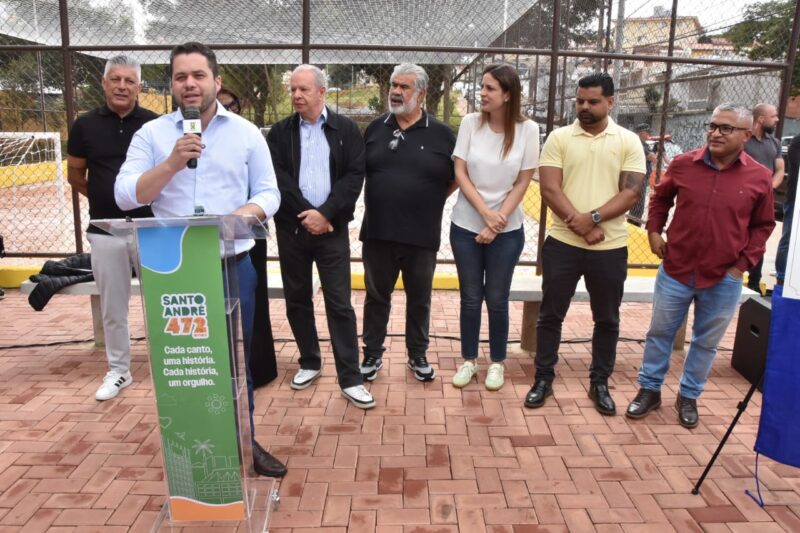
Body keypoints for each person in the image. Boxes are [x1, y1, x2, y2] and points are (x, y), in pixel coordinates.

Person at [114, 42, 286, 477]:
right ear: (171, 84)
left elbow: (269, 192)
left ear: (216, 81)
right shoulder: (152, 136)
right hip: (171, 270)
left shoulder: (246, 133)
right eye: (180, 77)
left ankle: (244, 443)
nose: (189, 84)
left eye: (198, 75)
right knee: (184, 363)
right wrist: (172, 163)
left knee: (235, 362)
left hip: (231, 264)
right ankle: (190, 448)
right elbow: (126, 193)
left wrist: (241, 215)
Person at [627, 104, 775, 428]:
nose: (715, 132)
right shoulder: (683, 165)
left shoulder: (759, 177)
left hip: (724, 277)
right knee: (660, 333)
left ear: (747, 135)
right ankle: (649, 390)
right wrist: (653, 231)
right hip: (676, 269)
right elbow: (660, 199)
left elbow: (763, 225)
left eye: (726, 128)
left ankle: (689, 395)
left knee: (706, 341)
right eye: (713, 125)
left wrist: (741, 265)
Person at [525, 72, 646, 415]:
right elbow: (550, 188)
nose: (585, 107)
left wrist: (590, 219)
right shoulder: (560, 138)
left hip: (609, 247)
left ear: (611, 102)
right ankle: (543, 377)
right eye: (580, 101)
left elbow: (631, 191)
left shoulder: (627, 141)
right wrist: (579, 227)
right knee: (550, 315)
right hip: (563, 245)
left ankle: (600, 382)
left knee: (606, 318)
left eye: (593, 101)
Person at [266, 65, 374, 409]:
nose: (297, 96)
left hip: (331, 231)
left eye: (304, 90)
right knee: (297, 298)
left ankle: (351, 377)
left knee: (339, 303)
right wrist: (307, 215)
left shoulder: (345, 129)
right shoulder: (280, 132)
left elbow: (354, 175)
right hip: (293, 229)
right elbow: (278, 177)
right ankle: (310, 361)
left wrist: (326, 214)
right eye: (293, 90)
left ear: (322, 92)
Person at [66, 55, 159, 401]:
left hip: (151, 228)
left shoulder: (154, 125)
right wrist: (109, 198)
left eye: (129, 81)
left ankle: (168, 367)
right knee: (113, 307)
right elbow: (75, 174)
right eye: (115, 79)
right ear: (104, 83)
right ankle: (119, 372)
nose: (122, 86)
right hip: (105, 230)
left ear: (139, 86)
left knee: (162, 301)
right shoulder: (84, 125)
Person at [359, 63, 457, 383]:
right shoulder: (375, 129)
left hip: (421, 234)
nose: (397, 92)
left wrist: (431, 197)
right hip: (378, 232)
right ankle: (372, 354)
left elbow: (458, 177)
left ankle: (417, 355)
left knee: (420, 298)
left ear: (422, 93)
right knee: (376, 296)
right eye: (394, 85)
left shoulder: (442, 134)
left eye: (405, 87)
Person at [449, 63, 539, 391]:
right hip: (465, 225)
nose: (482, 93)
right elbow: (460, 171)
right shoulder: (471, 123)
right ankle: (469, 360)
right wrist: (485, 213)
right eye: (482, 87)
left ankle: (497, 363)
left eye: (489, 88)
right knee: (471, 297)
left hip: (507, 230)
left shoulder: (529, 130)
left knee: (497, 298)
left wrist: (497, 221)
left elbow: (524, 179)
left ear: (507, 95)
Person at [743, 103, 783, 294]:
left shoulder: (774, 142)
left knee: (759, 241)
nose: (776, 119)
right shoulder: (744, 140)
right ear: (761, 119)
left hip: (763, 201)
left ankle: (754, 282)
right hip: (742, 199)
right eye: (773, 116)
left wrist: (768, 189)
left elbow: (780, 170)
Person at [776, 133, 800, 286]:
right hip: (795, 200)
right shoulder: (798, 142)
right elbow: (797, 168)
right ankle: (782, 277)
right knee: (789, 239)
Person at [629, 123, 657, 224]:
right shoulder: (638, 143)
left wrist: (651, 155)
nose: (649, 135)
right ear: (641, 133)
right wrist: (651, 155)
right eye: (647, 132)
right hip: (639, 177)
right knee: (638, 206)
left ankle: (633, 224)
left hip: (640, 177)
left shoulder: (642, 143)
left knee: (638, 205)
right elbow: (653, 158)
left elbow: (652, 157)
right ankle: (633, 225)